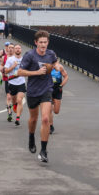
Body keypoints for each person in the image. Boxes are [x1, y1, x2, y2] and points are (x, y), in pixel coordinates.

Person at [18, 30, 57, 163]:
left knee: (45, 119)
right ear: (36, 43)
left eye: (45, 42)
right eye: (40, 42)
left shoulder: (51, 54)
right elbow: (19, 72)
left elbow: (55, 63)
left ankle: (44, 150)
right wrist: (37, 72)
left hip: (46, 89)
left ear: (48, 42)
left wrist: (58, 68)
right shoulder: (30, 55)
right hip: (33, 91)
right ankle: (31, 136)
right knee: (33, 119)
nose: (43, 45)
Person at [4, 44, 26, 126]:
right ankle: (15, 105)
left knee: (19, 100)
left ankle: (17, 118)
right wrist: (13, 66)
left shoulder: (24, 59)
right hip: (12, 83)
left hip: (21, 83)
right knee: (14, 101)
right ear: (14, 50)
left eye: (19, 48)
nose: (17, 49)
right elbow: (6, 71)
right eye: (16, 48)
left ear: (21, 50)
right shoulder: (10, 60)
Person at [49, 62, 68, 134]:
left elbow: (66, 76)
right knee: (49, 109)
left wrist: (61, 85)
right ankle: (51, 126)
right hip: (49, 88)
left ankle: (53, 103)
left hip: (57, 89)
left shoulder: (60, 67)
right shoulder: (47, 67)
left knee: (56, 111)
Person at [0, 43, 14, 121]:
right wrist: (2, 70)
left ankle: (14, 105)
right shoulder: (4, 57)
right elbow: (1, 66)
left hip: (16, 80)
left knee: (14, 98)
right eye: (9, 47)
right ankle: (9, 112)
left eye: (12, 47)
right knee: (8, 97)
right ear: (7, 48)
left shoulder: (17, 58)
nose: (11, 49)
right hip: (7, 79)